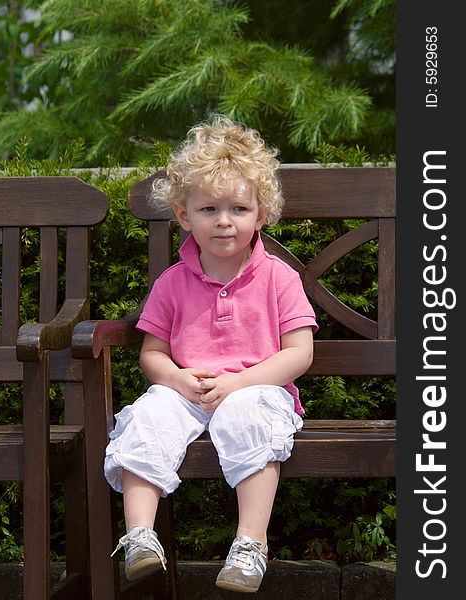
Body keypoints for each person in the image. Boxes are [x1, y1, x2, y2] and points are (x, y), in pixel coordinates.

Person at [104, 114, 318, 593]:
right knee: (147, 415)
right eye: (209, 210)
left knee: (248, 415)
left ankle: (250, 544)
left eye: (239, 208)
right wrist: (177, 380)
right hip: (189, 391)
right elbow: (153, 355)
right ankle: (140, 535)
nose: (224, 221)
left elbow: (299, 352)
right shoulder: (172, 282)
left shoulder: (279, 278)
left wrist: (241, 382)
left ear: (261, 214)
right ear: (184, 215)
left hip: (255, 389)